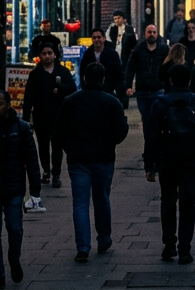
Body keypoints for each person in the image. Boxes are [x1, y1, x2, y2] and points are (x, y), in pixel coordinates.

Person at [54, 62, 128, 263]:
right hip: (103, 158)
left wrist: (69, 148)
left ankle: (83, 247)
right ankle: (103, 239)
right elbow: (120, 132)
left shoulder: (71, 101)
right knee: (102, 199)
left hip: (78, 158)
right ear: (103, 80)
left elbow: (59, 132)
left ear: (84, 78)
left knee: (80, 203)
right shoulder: (112, 102)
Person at [0, 90, 39, 289]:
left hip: (14, 188)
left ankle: (14, 259)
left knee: (15, 229)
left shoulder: (21, 128)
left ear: (8, 105)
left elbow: (31, 160)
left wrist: (35, 190)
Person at [145, 65, 195, 264]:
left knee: (168, 200)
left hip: (167, 159)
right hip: (191, 160)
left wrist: (150, 163)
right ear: (189, 81)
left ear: (170, 81)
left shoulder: (160, 103)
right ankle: (185, 250)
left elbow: (151, 135)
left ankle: (169, 245)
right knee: (188, 203)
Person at [21, 42, 76, 188]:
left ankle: (56, 173)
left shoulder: (63, 72)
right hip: (41, 115)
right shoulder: (35, 74)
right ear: (40, 56)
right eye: (44, 53)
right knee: (43, 145)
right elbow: (29, 97)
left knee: (57, 145)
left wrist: (60, 88)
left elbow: (72, 89)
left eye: (49, 53)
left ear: (55, 55)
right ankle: (46, 170)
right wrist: (26, 119)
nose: (47, 56)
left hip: (59, 116)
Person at [123, 25, 168, 135]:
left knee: (157, 118)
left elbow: (169, 68)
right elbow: (130, 68)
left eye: (154, 32)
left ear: (157, 34)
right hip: (142, 91)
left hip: (158, 89)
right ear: (145, 34)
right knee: (146, 118)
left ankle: (156, 145)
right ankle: (148, 145)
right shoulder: (138, 50)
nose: (152, 34)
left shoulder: (164, 50)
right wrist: (128, 86)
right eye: (149, 32)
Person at [79, 28, 123, 97]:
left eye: (99, 37)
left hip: (108, 90)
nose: (97, 40)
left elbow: (118, 73)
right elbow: (82, 71)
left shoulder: (112, 54)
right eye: (94, 38)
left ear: (104, 38)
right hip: (91, 91)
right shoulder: (87, 54)